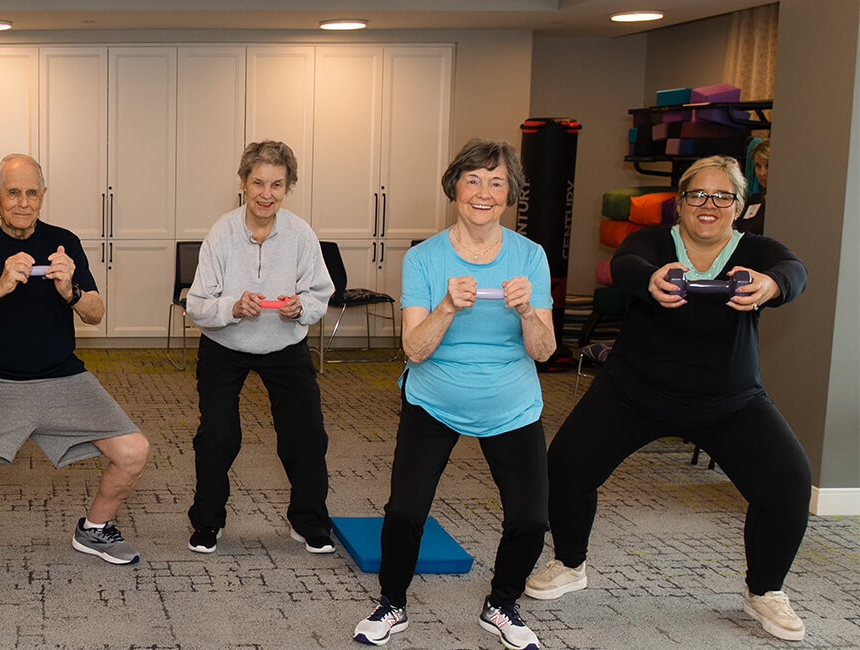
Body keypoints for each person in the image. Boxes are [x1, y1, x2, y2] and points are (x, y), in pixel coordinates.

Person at [526, 155, 811, 642]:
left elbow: (794, 271)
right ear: (679, 204)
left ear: (741, 208)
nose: (709, 204)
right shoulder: (655, 243)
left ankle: (764, 590)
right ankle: (570, 563)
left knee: (789, 483)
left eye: (724, 196)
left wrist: (771, 284)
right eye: (697, 194)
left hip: (730, 401)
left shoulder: (756, 251)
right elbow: (626, 263)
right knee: (568, 465)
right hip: (634, 393)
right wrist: (649, 280)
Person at [351, 139, 556, 649]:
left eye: (497, 182)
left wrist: (529, 312)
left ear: (510, 194)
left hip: (511, 404)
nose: (484, 192)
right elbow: (414, 350)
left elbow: (546, 351)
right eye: (473, 180)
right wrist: (445, 306)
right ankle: (391, 603)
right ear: (454, 187)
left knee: (531, 520)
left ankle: (501, 604)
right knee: (404, 512)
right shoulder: (424, 258)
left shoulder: (531, 256)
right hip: (434, 400)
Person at [0, 153, 151, 570]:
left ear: (43, 196)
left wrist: (69, 289)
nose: (23, 202)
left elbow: (95, 311)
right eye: (13, 193)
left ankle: (95, 529)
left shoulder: (64, 242)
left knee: (134, 451)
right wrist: (0, 285)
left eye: (32, 193)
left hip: (61, 378)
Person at [184, 140, 337, 554]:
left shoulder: (301, 234)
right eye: (258, 183)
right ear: (243, 183)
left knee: (306, 435)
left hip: (284, 346)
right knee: (217, 435)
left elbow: (321, 293)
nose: (266, 194)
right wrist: (232, 306)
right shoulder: (222, 233)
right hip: (225, 346)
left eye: (276, 185)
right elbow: (196, 304)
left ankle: (308, 521)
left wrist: (301, 306)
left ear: (287, 188)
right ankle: (208, 521)